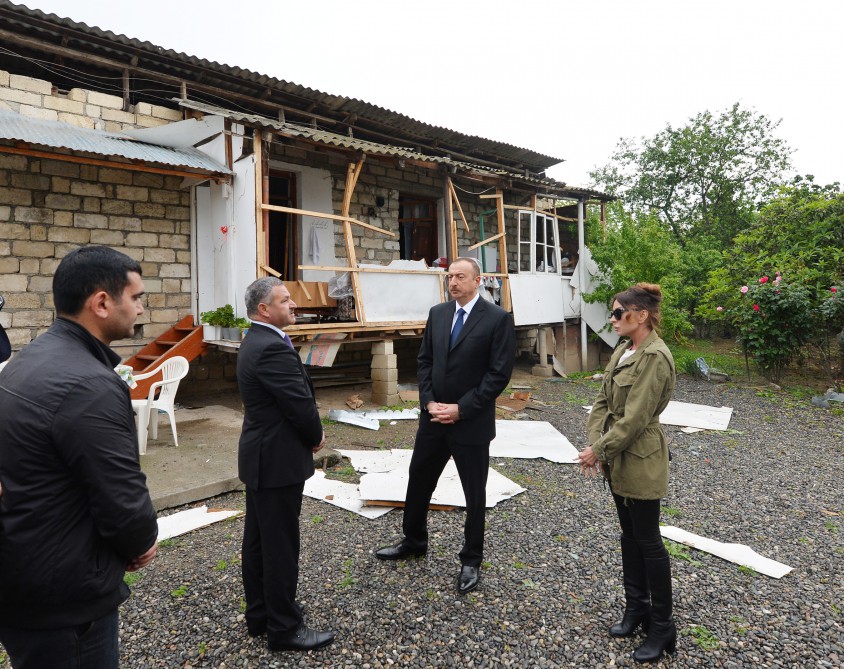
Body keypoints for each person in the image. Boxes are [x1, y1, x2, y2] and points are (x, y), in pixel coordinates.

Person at [0, 246, 159, 669]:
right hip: (63, 597)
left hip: (23, 573)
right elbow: (120, 494)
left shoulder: (27, 360)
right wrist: (141, 541)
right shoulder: (89, 385)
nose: (142, 308)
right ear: (102, 302)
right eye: (137, 296)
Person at [375, 257, 516, 595]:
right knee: (419, 480)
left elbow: (498, 374)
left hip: (470, 423)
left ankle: (471, 559)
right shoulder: (438, 314)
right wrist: (428, 402)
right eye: (449, 276)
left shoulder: (497, 319)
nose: (453, 282)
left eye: (460, 276)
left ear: (478, 281)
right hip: (433, 420)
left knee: (474, 493)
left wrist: (461, 409)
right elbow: (424, 361)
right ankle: (414, 540)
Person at [578, 283, 677, 664]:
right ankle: (637, 610)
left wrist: (598, 449)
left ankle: (663, 625)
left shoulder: (655, 357)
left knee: (648, 540)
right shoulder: (624, 350)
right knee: (629, 536)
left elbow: (635, 418)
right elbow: (602, 401)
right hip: (617, 455)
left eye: (619, 313)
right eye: (613, 313)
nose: (613, 319)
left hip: (640, 456)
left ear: (641, 315)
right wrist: (596, 444)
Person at [237, 277, 335, 652]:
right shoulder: (270, 347)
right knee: (279, 546)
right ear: (264, 309)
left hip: (262, 456)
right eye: (285, 299)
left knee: (260, 541)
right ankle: (284, 628)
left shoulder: (258, 339)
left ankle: (261, 614)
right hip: (277, 460)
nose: (294, 304)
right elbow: (297, 403)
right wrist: (315, 435)